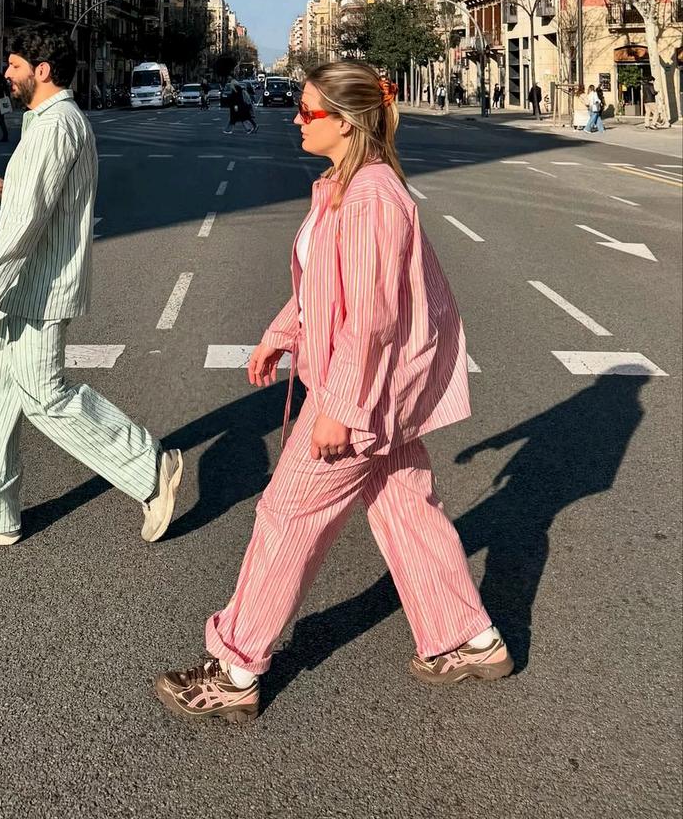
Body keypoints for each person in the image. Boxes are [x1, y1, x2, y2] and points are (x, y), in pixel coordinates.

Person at [154, 61, 511, 723]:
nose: (295, 118)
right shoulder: (345, 186)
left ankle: (235, 668)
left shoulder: (372, 198)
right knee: (406, 507)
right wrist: (282, 332)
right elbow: (327, 285)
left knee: (286, 515)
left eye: (308, 111)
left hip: (362, 390)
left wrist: (341, 408)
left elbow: (372, 318)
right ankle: (468, 637)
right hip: (372, 384)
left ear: (345, 123)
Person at [0, 28, 183, 548]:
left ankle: (149, 466)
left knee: (46, 396)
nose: (7, 73)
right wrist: (2, 188)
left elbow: (27, 222)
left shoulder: (55, 126)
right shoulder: (47, 122)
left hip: (40, 287)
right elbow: (39, 199)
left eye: (14, 65)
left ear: (41, 70)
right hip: (24, 287)